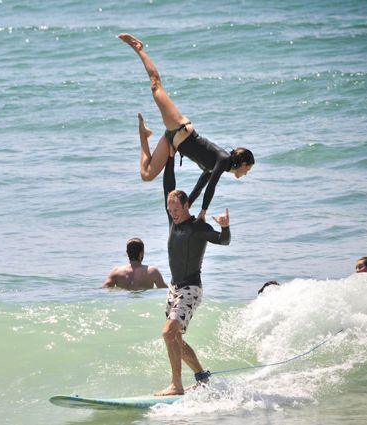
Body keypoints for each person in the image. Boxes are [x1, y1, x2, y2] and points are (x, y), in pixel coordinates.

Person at [119, 33, 254, 222]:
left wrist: (187, 206)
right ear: (244, 164)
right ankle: (139, 48)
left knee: (146, 175)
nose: (246, 173)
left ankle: (144, 134)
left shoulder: (217, 165)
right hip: (179, 127)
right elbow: (211, 187)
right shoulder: (223, 159)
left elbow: (201, 185)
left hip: (172, 141)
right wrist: (203, 212)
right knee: (156, 86)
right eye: (248, 169)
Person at [154, 149, 231, 396]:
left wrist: (226, 227)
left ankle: (176, 385)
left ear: (187, 205)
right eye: (170, 208)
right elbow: (168, 183)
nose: (173, 212)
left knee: (168, 332)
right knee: (175, 339)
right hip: (174, 289)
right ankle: (201, 377)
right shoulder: (172, 222)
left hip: (191, 289)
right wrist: (168, 156)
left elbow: (223, 241)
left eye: (176, 208)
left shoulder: (197, 228)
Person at [102, 238, 168, 290]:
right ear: (141, 253)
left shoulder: (116, 271)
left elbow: (104, 289)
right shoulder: (152, 271)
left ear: (127, 253)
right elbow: (165, 289)